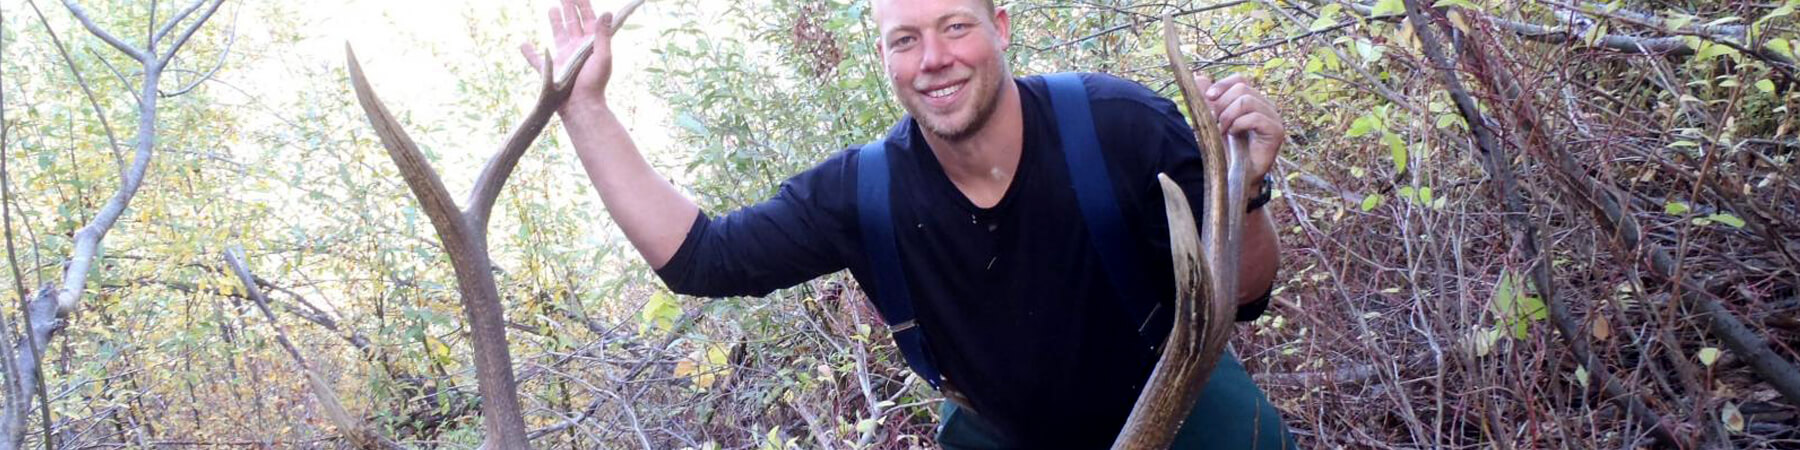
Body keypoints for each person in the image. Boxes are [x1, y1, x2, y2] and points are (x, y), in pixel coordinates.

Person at [523, 0, 1294, 447]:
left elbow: (1248, 294)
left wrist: (1247, 191)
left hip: (1178, 409)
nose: (934, 58)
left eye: (954, 26)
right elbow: (702, 259)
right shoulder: (864, 192)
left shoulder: (1121, 126)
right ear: (884, 57)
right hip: (1011, 434)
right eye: (905, 39)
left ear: (1000, 26)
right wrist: (585, 107)